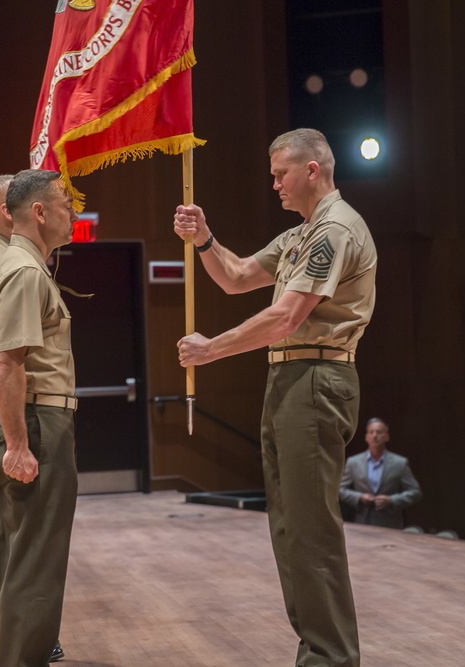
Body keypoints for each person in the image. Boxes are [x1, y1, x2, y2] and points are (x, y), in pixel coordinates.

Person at [172, 128, 376, 667]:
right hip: (289, 378)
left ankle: (330, 657)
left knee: (310, 529)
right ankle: (317, 649)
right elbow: (237, 278)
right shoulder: (301, 234)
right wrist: (205, 241)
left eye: (280, 174)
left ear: (313, 170)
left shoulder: (335, 231)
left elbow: (288, 315)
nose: (274, 185)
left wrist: (212, 349)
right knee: (288, 527)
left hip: (316, 377)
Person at [0, 169, 79, 666]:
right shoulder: (22, 270)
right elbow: (7, 363)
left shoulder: (27, 266)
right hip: (37, 421)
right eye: (64, 203)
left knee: (36, 552)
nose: (72, 211)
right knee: (35, 556)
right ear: (38, 213)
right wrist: (18, 444)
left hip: (38, 419)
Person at [340, 418, 421, 529]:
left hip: (390, 524)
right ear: (366, 437)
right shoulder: (354, 462)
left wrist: (391, 500)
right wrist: (359, 497)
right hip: (361, 524)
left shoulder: (400, 463)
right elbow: (340, 490)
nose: (375, 435)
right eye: (371, 432)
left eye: (379, 432)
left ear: (386, 436)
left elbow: (415, 492)